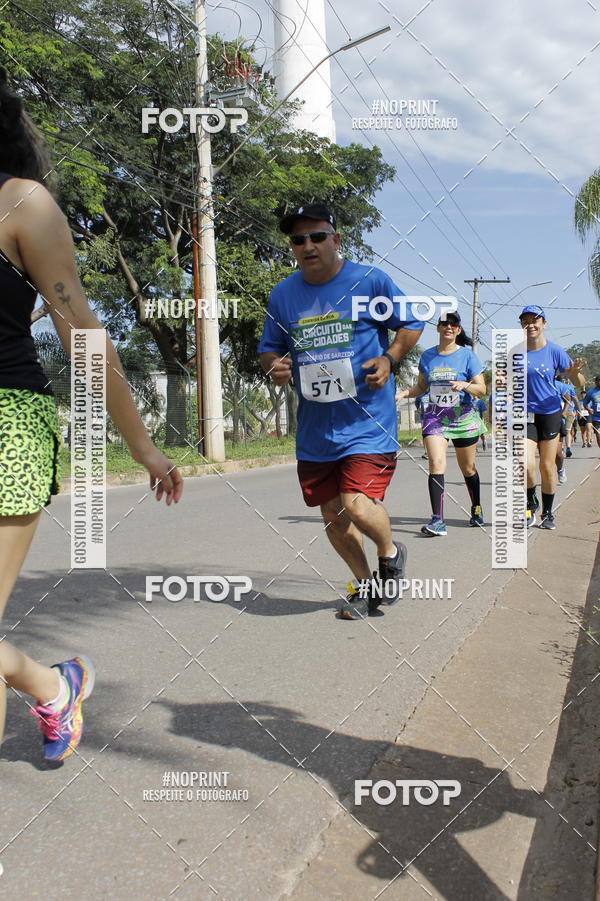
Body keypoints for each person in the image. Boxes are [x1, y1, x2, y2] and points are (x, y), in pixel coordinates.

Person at [0, 72, 183, 761]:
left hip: (6, 425)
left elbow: (81, 328)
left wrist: (142, 446)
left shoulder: (23, 205)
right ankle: (56, 685)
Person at [258, 202, 423, 619]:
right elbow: (269, 349)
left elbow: (412, 322)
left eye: (316, 236)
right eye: (298, 240)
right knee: (332, 515)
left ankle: (390, 550)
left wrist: (390, 358)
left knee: (355, 504)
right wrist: (275, 367)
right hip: (315, 428)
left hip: (368, 421)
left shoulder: (369, 281)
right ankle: (365, 587)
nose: (307, 245)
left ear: (336, 239)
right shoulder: (284, 294)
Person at [397, 311, 487, 536]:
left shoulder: (467, 356)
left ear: (458, 330)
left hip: (462, 416)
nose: (448, 327)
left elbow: (481, 389)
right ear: (438, 328)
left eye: (453, 324)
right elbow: (421, 387)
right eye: (444, 323)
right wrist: (404, 393)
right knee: (436, 464)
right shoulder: (427, 356)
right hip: (436, 416)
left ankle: (476, 508)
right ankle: (437, 520)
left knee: (468, 468)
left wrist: (465, 385)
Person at [519, 305, 584, 530]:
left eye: (535, 320)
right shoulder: (515, 352)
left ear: (544, 323)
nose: (530, 325)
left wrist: (575, 375)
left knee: (547, 467)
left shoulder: (555, 351)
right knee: (525, 465)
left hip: (550, 413)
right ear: (521, 325)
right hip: (525, 414)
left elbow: (579, 383)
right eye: (526, 321)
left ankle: (548, 513)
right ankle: (530, 505)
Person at [583, 374, 600, 448]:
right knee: (599, 435)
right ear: (595, 382)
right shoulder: (591, 392)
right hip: (596, 417)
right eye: (598, 381)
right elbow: (585, 403)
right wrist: (588, 409)